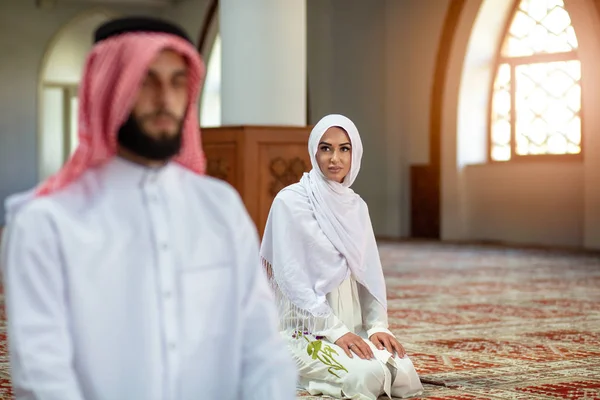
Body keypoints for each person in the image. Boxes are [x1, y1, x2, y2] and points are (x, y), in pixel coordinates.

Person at [0, 17, 296, 400]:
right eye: (146, 80)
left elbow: (263, 348)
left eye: (177, 82)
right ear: (109, 89)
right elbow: (43, 375)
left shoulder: (219, 207)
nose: (165, 98)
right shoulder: (46, 223)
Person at [260, 114, 424, 399]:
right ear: (314, 151)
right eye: (326, 148)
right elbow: (292, 280)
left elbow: (369, 273)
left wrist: (376, 327)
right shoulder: (290, 201)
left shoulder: (356, 206)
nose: (335, 158)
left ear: (354, 153)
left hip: (351, 329)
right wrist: (335, 332)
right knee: (367, 375)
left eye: (344, 148)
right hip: (303, 332)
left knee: (403, 372)